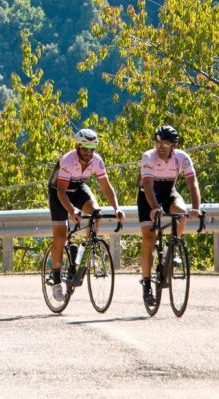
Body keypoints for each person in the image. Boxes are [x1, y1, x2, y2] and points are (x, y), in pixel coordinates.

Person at [48, 128, 125, 301]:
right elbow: (61, 192)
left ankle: (85, 253)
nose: (88, 153)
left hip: (78, 188)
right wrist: (72, 211)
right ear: (77, 147)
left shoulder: (97, 161)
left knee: (96, 213)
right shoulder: (68, 160)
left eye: (92, 150)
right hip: (59, 192)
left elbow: (106, 186)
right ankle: (56, 276)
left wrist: (116, 208)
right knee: (60, 234)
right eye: (84, 149)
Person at [138, 125, 201, 305]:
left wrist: (195, 208)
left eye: (166, 143)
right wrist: (155, 207)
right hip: (147, 196)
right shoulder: (148, 157)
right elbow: (148, 186)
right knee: (149, 237)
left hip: (169, 193)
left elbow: (192, 183)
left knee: (182, 213)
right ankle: (147, 284)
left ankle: (170, 251)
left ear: (174, 145)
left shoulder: (182, 158)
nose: (161, 147)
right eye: (158, 142)